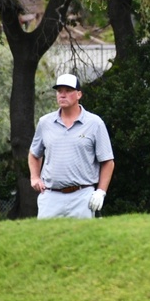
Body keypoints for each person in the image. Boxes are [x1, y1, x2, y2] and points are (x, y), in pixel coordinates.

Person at [28, 73, 115, 219]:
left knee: (82, 234)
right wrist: (35, 177)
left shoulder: (95, 123)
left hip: (82, 196)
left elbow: (107, 161)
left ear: (79, 94)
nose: (62, 95)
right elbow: (34, 154)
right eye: (59, 91)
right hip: (50, 196)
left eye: (68, 90)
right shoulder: (45, 123)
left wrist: (101, 191)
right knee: (47, 234)